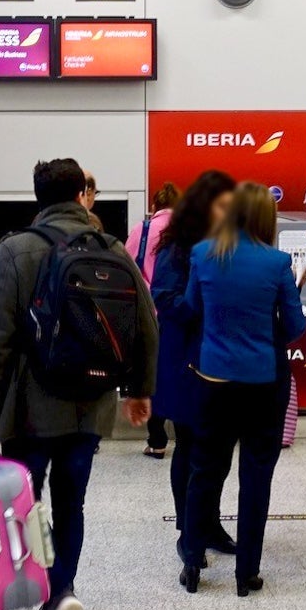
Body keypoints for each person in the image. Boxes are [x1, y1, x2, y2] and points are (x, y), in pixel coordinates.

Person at [0, 158, 159, 610]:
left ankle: (38, 586)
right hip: (90, 408)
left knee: (25, 502)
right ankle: (62, 592)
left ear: (38, 197)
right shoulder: (112, 248)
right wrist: (140, 391)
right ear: (82, 194)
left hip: (31, 409)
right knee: (71, 502)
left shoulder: (16, 249)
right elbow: (146, 327)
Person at [179, 181, 306, 597]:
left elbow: (192, 309)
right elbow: (295, 327)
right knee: (256, 477)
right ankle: (246, 573)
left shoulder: (202, 255)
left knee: (206, 470)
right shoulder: (277, 263)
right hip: (263, 384)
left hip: (213, 380)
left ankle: (194, 562)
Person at [151, 171, 235, 547]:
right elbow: (165, 300)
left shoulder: (227, 246)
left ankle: (210, 522)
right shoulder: (177, 248)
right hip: (185, 360)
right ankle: (189, 528)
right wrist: (206, 302)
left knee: (218, 449)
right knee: (190, 444)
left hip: (220, 360)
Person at [129, 181, 181, 457]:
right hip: (179, 313)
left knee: (151, 373)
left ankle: (157, 440)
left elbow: (126, 270)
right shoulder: (189, 232)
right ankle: (185, 435)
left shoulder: (142, 230)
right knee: (181, 370)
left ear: (154, 206)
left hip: (148, 314)